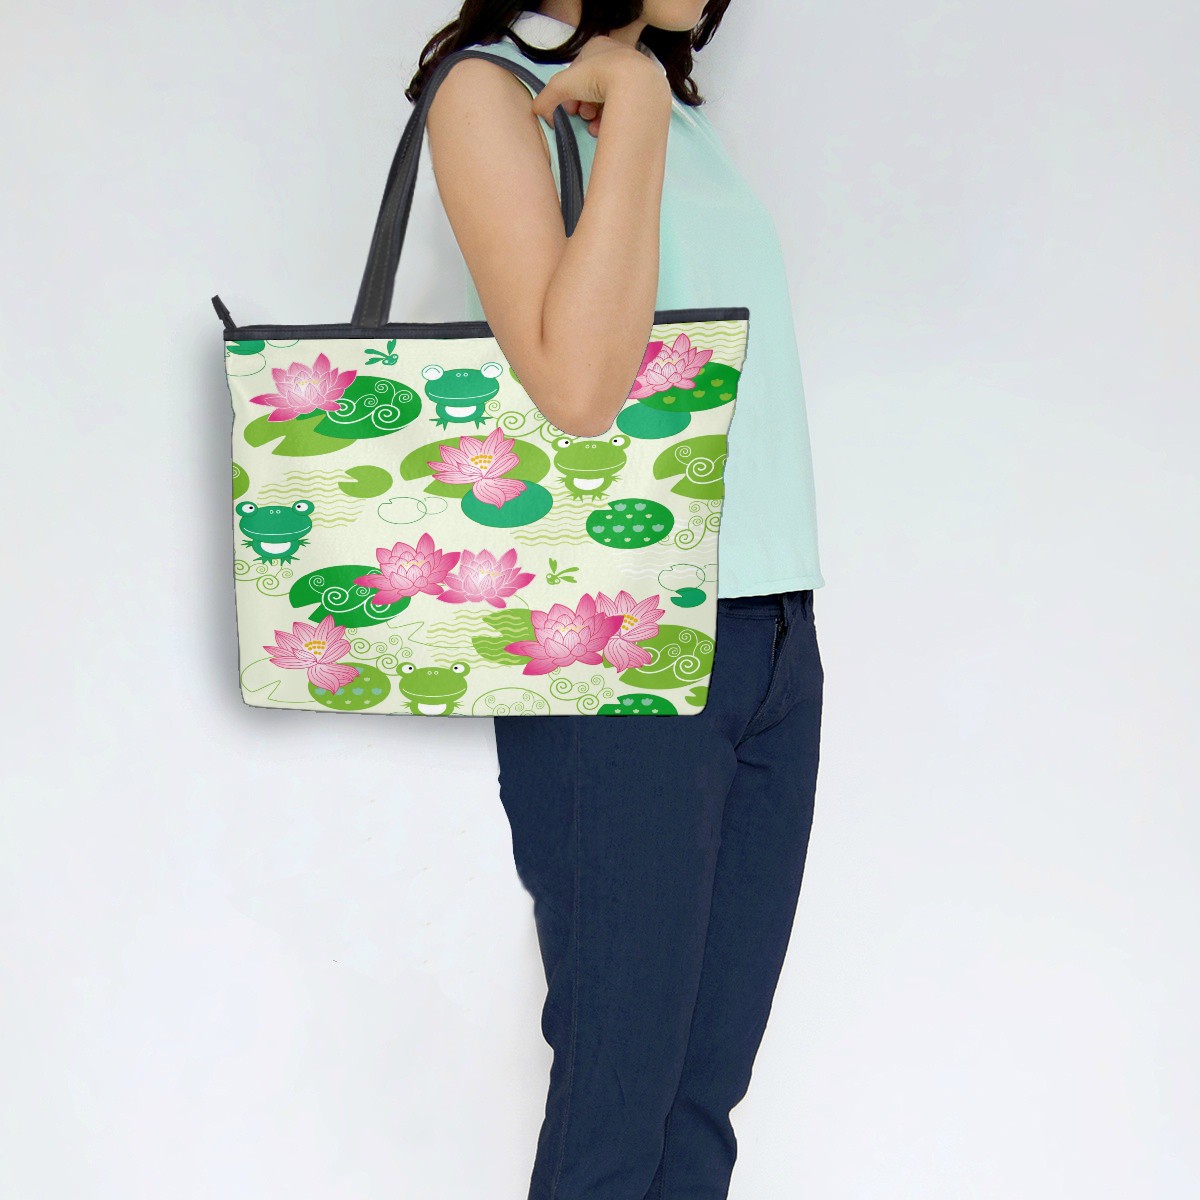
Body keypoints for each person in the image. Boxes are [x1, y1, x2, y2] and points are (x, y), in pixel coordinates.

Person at [413, 3, 825, 1196]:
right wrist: (631, 108)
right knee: (616, 1110)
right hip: (621, 647)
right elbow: (581, 388)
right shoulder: (488, 91)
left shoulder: (671, 105)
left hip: (773, 635)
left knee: (699, 1107)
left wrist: (644, 94)